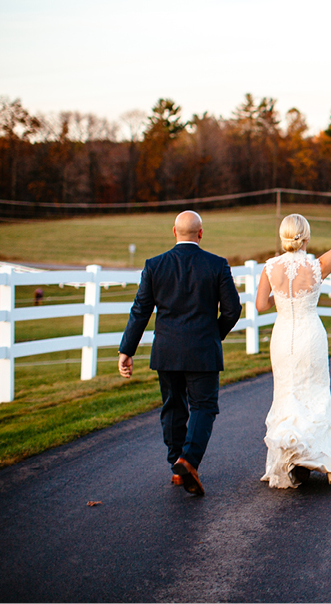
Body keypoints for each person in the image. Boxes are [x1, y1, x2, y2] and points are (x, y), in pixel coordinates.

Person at [118, 211, 242, 496]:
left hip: (167, 350)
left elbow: (140, 311)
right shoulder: (217, 265)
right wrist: (214, 334)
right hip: (203, 351)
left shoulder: (154, 265)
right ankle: (188, 461)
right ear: (200, 233)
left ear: (174, 232)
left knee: (173, 406)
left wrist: (127, 349)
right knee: (204, 406)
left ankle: (177, 464)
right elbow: (233, 309)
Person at [255, 183, 331, 489]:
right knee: (314, 394)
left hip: (283, 335)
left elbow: (261, 305)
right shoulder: (316, 267)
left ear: (282, 236)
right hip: (311, 335)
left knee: (286, 394)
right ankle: (317, 458)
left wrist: (280, 298)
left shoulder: (270, 267)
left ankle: (290, 458)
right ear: (306, 237)